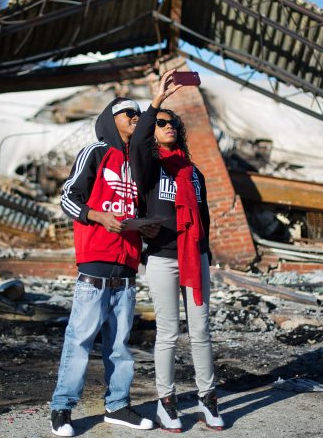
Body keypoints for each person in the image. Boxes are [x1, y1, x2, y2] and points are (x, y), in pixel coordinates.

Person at [49, 97, 158, 437]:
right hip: (94, 267)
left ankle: (118, 406)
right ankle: (62, 409)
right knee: (79, 341)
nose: (137, 118)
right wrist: (97, 215)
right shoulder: (95, 151)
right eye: (130, 113)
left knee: (120, 346)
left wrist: (144, 226)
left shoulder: (140, 161)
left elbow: (136, 209)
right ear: (112, 119)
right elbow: (68, 197)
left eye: (141, 114)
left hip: (126, 269)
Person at [130, 70, 225, 432]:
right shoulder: (150, 169)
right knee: (168, 333)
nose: (168, 126)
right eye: (162, 123)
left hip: (195, 256)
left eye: (173, 124)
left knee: (201, 331)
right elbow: (138, 142)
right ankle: (166, 402)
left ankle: (208, 398)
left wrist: (206, 249)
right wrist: (157, 102)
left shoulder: (193, 172)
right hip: (162, 257)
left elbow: (203, 214)